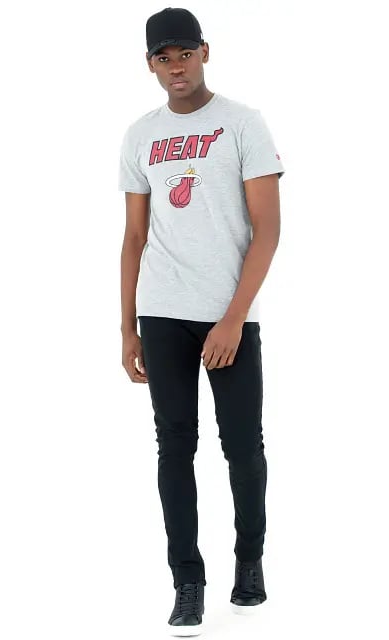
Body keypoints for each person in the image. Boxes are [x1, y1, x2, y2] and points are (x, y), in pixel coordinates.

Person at [118, 7, 285, 636]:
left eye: (185, 53)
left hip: (228, 314)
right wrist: (128, 327)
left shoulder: (243, 123)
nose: (176, 67)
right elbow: (134, 237)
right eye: (163, 58)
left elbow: (267, 230)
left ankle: (250, 562)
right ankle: (187, 581)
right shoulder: (141, 135)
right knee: (174, 447)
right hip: (162, 311)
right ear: (150, 65)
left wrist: (234, 318)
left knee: (242, 446)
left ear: (205, 52)